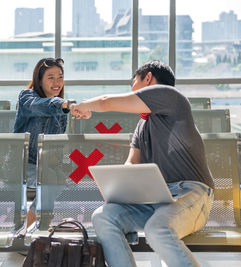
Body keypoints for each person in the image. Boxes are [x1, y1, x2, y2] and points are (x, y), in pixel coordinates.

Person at [70, 60, 214, 267]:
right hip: (156, 200)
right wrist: (118, 190)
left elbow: (106, 102)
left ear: (148, 78)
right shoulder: (143, 125)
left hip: (191, 194)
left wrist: (84, 107)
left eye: (133, 83)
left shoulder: (170, 96)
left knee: (158, 229)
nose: (131, 91)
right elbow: (132, 163)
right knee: (103, 217)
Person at [14, 57, 72, 227]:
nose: (57, 82)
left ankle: (37, 228)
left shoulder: (61, 109)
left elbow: (56, 145)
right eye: (51, 77)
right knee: (51, 178)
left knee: (57, 178)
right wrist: (61, 104)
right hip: (21, 164)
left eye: (60, 77)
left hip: (44, 166)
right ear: (39, 80)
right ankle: (32, 230)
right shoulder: (27, 97)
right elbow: (37, 106)